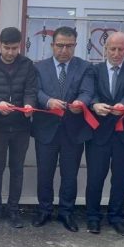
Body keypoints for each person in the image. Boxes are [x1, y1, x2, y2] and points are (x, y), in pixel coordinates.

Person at [31, 26, 94, 231]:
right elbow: (35, 91)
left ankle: (66, 213)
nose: (64, 50)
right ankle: (44, 210)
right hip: (46, 130)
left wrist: (79, 104)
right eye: (60, 45)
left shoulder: (85, 67)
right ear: (52, 45)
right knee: (44, 173)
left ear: (75, 46)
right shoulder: (39, 67)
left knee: (70, 175)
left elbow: (87, 92)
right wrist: (47, 101)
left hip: (73, 130)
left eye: (69, 46)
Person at [84, 32, 124, 236]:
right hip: (99, 133)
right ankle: (92, 217)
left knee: (120, 179)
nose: (117, 53)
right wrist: (94, 104)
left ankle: (116, 217)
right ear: (105, 49)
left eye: (121, 49)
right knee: (95, 177)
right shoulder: (94, 69)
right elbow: (89, 92)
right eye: (112, 49)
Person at [0, 26, 38, 228]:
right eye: (7, 48)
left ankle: (13, 210)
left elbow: (31, 89)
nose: (10, 52)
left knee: (17, 170)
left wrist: (30, 104)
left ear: (20, 46)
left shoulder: (27, 65)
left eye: (14, 48)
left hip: (21, 127)